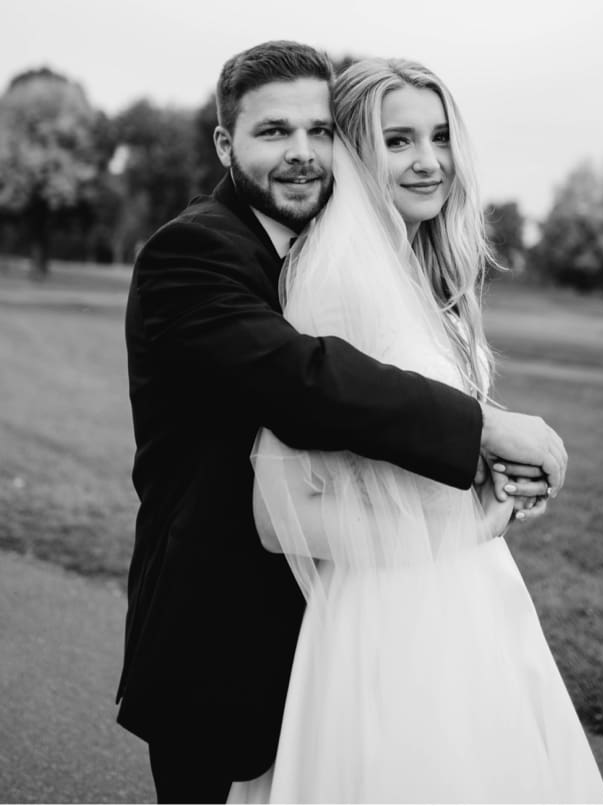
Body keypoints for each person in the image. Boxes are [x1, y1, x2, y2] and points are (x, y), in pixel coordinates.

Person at [118, 41, 567, 803]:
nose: (301, 154)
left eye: (319, 131)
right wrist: (485, 432)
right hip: (220, 607)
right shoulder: (193, 250)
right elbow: (301, 379)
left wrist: (485, 490)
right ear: (227, 143)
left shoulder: (359, 255)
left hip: (350, 602)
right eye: (272, 132)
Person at [233, 57, 603, 802]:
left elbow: (409, 442)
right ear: (351, 152)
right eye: (398, 140)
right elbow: (281, 515)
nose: (430, 161)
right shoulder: (335, 284)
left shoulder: (412, 272)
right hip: (391, 629)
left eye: (439, 136)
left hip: (467, 603)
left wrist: (497, 471)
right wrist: (480, 518)